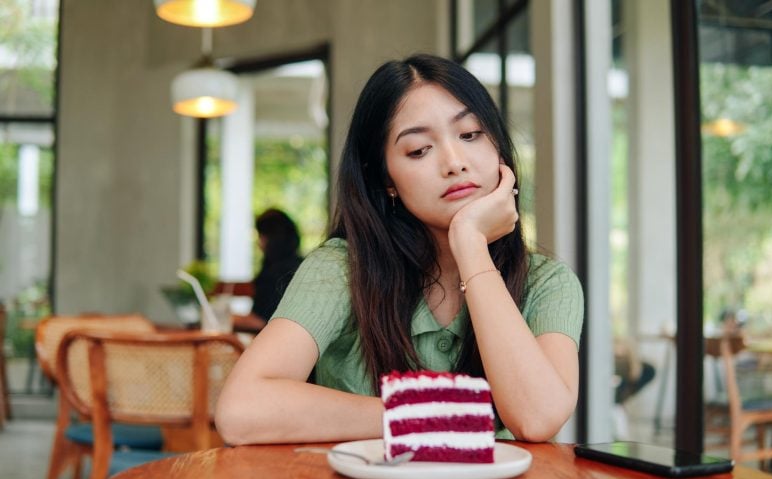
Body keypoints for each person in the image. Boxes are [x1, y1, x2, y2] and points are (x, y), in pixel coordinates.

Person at [216, 54, 584, 445]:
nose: (455, 162)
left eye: (471, 134)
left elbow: (539, 418)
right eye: (419, 150)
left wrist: (471, 245)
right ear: (386, 179)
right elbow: (241, 410)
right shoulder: (342, 268)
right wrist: (433, 417)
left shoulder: (548, 283)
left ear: (499, 149)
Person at [231, 209, 303, 333]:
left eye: (260, 236)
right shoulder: (302, 266)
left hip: (273, 341)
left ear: (268, 238)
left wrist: (224, 317)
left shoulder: (273, 273)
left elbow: (260, 321)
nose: (259, 243)